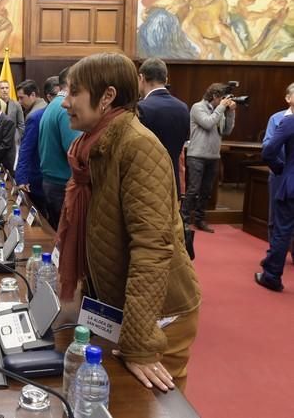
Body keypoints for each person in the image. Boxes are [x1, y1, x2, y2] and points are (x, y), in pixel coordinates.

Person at [58, 53, 201, 392]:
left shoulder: (138, 147)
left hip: (160, 317)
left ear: (106, 97)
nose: (65, 103)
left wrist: (139, 344)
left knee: (150, 405)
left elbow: (152, 249)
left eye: (74, 92)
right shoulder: (92, 147)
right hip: (117, 307)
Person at [181, 82, 236, 233]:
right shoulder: (197, 107)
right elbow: (207, 123)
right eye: (223, 98)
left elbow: (226, 130)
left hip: (213, 156)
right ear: (214, 96)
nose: (225, 101)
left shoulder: (221, 110)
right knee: (193, 189)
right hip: (196, 155)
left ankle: (199, 219)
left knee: (206, 191)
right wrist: (221, 108)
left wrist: (230, 113)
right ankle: (184, 220)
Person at [138, 57, 190, 195]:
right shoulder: (183, 108)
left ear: (141, 78)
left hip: (146, 185)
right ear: (166, 80)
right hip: (173, 184)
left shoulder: (141, 108)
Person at [38, 67, 82, 230]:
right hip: (62, 185)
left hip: (51, 182)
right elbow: (75, 152)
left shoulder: (52, 105)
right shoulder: (65, 109)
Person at [256, 114, 294, 292]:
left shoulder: (290, 121)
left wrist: (280, 168)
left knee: (282, 230)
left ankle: (271, 276)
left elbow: (269, 150)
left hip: (291, 185)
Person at [263, 83, 294, 263]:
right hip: (280, 174)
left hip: (288, 173)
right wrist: (280, 167)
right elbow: (268, 146)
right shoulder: (277, 119)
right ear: (288, 98)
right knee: (275, 218)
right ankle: (273, 254)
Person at [15, 79, 48, 218]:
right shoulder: (47, 109)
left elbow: (26, 149)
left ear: (33, 95)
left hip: (36, 176)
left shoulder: (34, 116)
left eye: (22, 98)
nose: (19, 102)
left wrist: (21, 178)